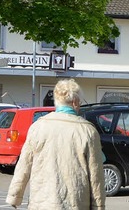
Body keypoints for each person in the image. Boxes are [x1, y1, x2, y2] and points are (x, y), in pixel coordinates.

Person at [6, 79, 105, 209]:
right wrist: (99, 206)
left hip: (42, 203)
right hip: (75, 203)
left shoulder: (38, 127)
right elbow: (96, 175)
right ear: (75, 102)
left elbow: (24, 164)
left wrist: (14, 196)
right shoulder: (87, 131)